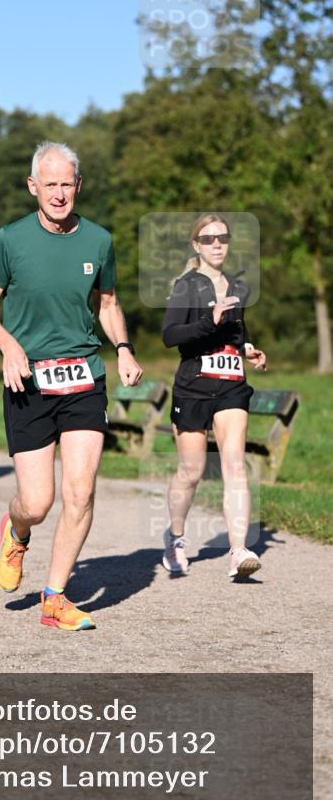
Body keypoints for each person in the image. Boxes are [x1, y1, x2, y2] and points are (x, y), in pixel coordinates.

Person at [0, 141, 143, 631]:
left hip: (84, 376)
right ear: (33, 187)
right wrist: (8, 346)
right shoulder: (9, 240)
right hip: (28, 379)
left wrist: (125, 347)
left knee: (81, 491)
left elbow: (108, 304)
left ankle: (55, 597)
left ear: (79, 185)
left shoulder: (99, 240)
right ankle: (17, 530)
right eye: (50, 184)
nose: (60, 193)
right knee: (38, 502)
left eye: (67, 183)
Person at [161, 213, 267, 579]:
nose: (217, 244)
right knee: (190, 472)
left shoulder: (236, 286)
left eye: (222, 237)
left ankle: (238, 551)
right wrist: (211, 321)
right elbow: (170, 335)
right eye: (208, 239)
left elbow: (237, 332)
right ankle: (175, 538)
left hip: (232, 384)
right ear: (197, 246)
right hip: (193, 385)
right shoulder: (185, 287)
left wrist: (249, 349)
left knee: (234, 466)